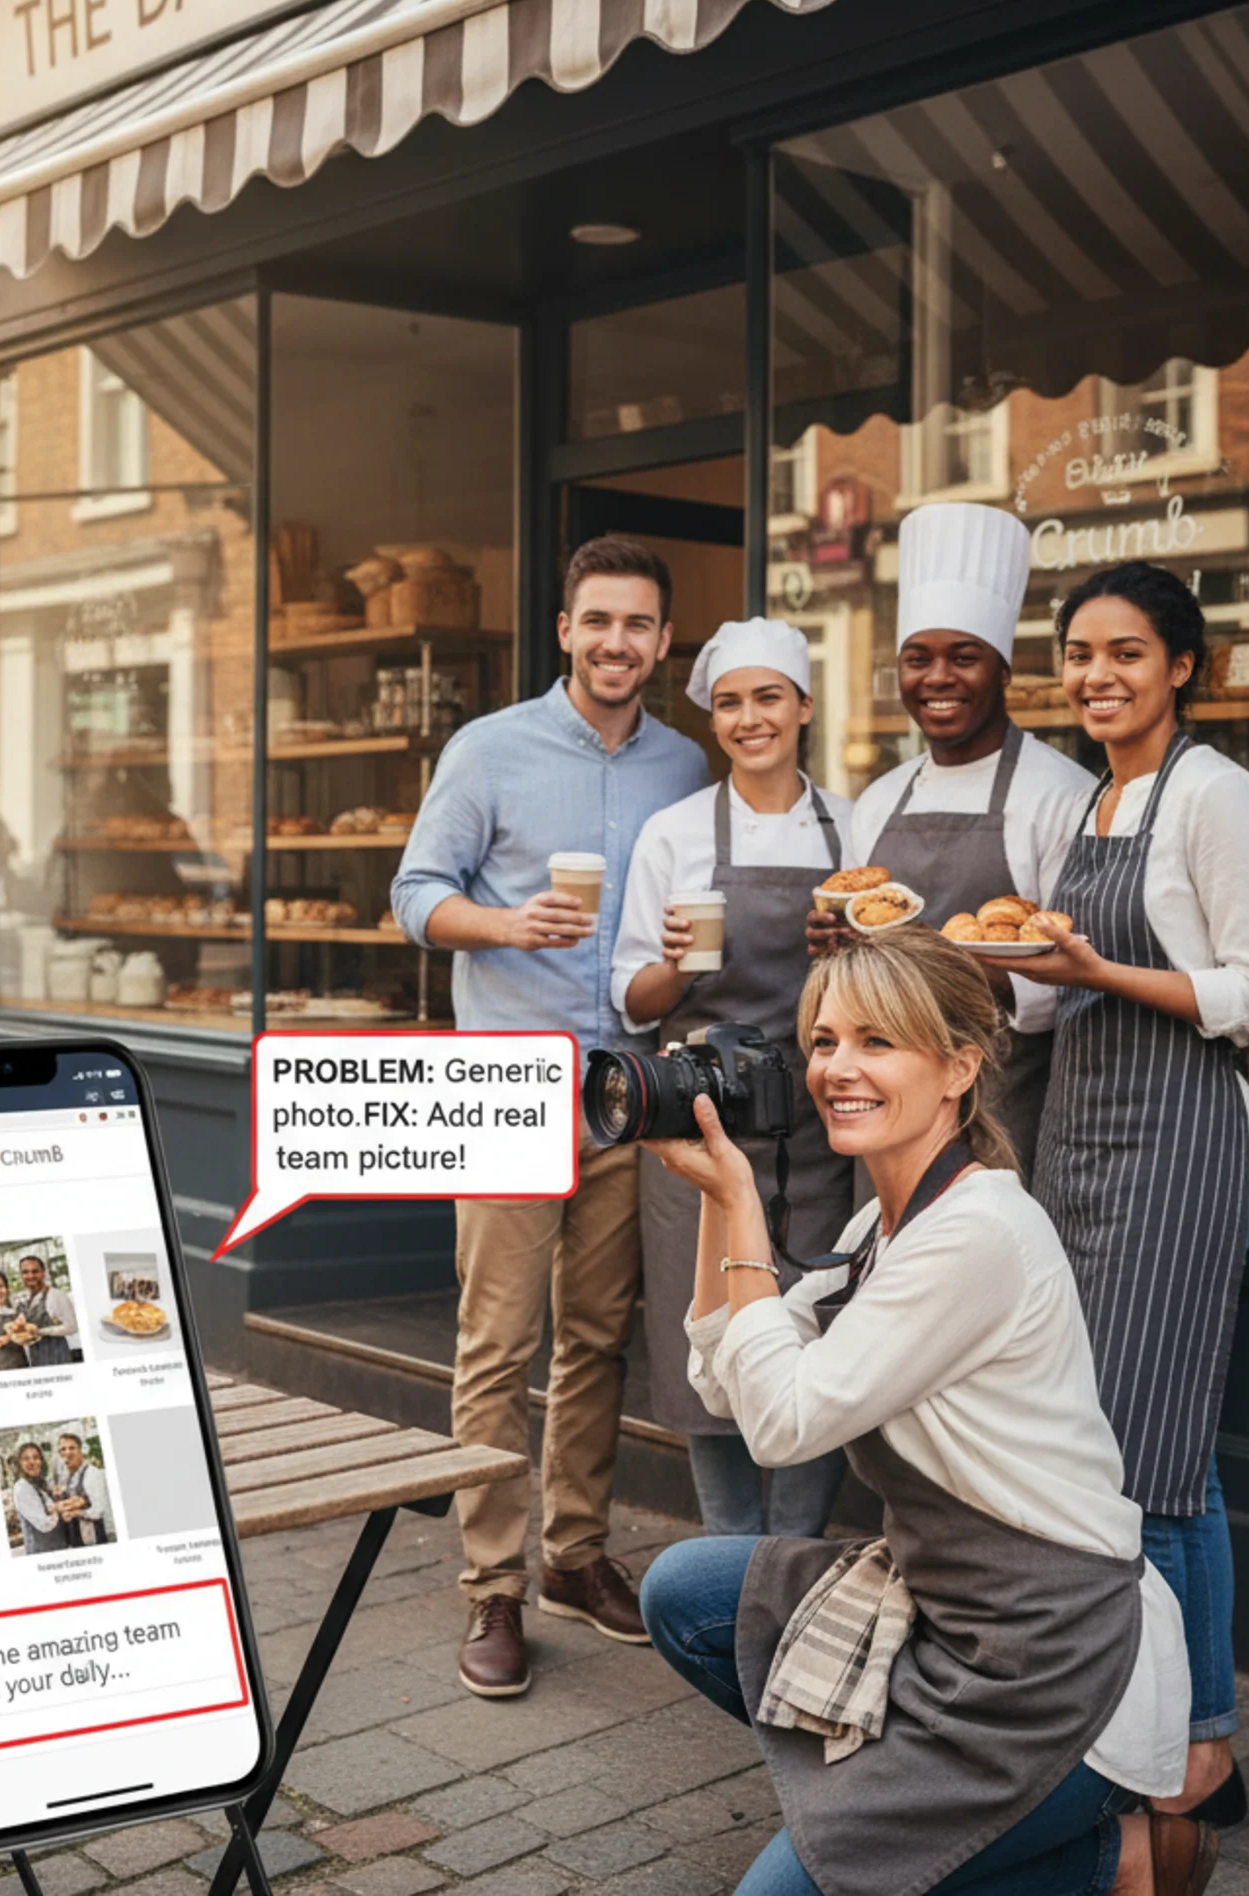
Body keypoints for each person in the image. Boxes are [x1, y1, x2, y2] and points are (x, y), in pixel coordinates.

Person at [636, 929, 1211, 1896]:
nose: (838, 1069)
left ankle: (1110, 1854)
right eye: (823, 1042)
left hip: (1052, 1664)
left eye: (876, 1042)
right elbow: (728, 1383)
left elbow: (781, 1427)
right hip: (940, 1614)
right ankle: (964, 1834)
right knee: (685, 1590)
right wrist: (711, 1196)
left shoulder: (978, 1234)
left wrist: (741, 1203)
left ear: (959, 1067)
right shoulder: (881, 1228)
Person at [393, 534, 711, 1699]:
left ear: (661, 640)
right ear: (564, 630)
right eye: (597, 621)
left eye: (637, 623)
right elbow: (414, 894)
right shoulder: (488, 749)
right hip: (508, 1083)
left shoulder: (686, 767)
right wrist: (503, 925)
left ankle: (575, 1552)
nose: (616, 641)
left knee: (596, 1336)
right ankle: (491, 1582)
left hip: (627, 1085)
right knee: (495, 1342)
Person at [1021, 562, 1249, 1831]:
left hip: (1182, 1145)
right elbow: (1056, 987)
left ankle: (1199, 1746)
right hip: (1079, 1137)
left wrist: (1098, 968)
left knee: (1157, 1460)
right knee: (1106, 1445)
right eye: (1079, 652)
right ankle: (1145, 1721)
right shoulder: (1100, 794)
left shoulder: (1215, 793)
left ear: (1180, 666)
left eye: (1124, 652)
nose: (1095, 675)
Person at [613, 618, 854, 1539]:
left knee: (811, 1339)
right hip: (698, 1123)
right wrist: (678, 965)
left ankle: (790, 1557)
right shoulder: (673, 833)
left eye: (768, 698)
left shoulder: (853, 823)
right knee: (704, 1351)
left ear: (802, 706)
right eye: (729, 703)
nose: (750, 719)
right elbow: (636, 1001)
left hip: (823, 1125)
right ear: (713, 719)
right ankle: (729, 1560)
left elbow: (893, 971)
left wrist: (853, 948)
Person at [815, 504, 1092, 1185]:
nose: (938, 678)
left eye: (963, 657)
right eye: (918, 659)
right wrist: (836, 949)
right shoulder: (879, 800)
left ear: (1003, 671)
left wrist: (945, 970)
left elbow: (1077, 981)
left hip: (1006, 1103)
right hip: (878, 1113)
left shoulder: (1062, 794)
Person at [14, 1253, 77, 1367]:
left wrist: (41, 1331)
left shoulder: (56, 1295)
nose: (30, 1276)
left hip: (57, 1356)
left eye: (35, 1271)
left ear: (43, 1273)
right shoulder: (28, 1299)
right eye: (25, 1272)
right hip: (36, 1357)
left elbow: (72, 1327)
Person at [53, 1431, 111, 1546]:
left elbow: (98, 1511)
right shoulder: (67, 1476)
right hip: (76, 1540)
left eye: (72, 1448)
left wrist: (75, 1513)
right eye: (63, 1449)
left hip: (92, 1539)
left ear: (81, 1450)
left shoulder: (91, 1473)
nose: (67, 1452)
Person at [11, 1443, 67, 1555]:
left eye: (36, 1457)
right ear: (19, 1463)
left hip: (58, 1546)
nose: (32, 1462)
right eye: (26, 1459)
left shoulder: (39, 1483)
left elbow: (46, 1506)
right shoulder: (22, 1488)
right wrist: (58, 1508)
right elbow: (44, 1524)